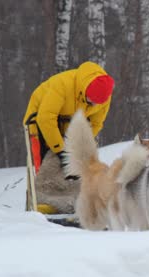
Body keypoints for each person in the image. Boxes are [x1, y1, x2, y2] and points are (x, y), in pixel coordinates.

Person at [23, 61, 115, 214]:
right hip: (40, 121)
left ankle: (74, 201)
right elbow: (45, 118)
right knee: (48, 163)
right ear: (85, 91)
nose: (93, 105)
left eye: (96, 103)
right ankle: (44, 201)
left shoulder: (103, 97)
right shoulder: (62, 85)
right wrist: (60, 150)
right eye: (90, 100)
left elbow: (96, 123)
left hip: (72, 122)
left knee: (78, 165)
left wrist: (79, 145)